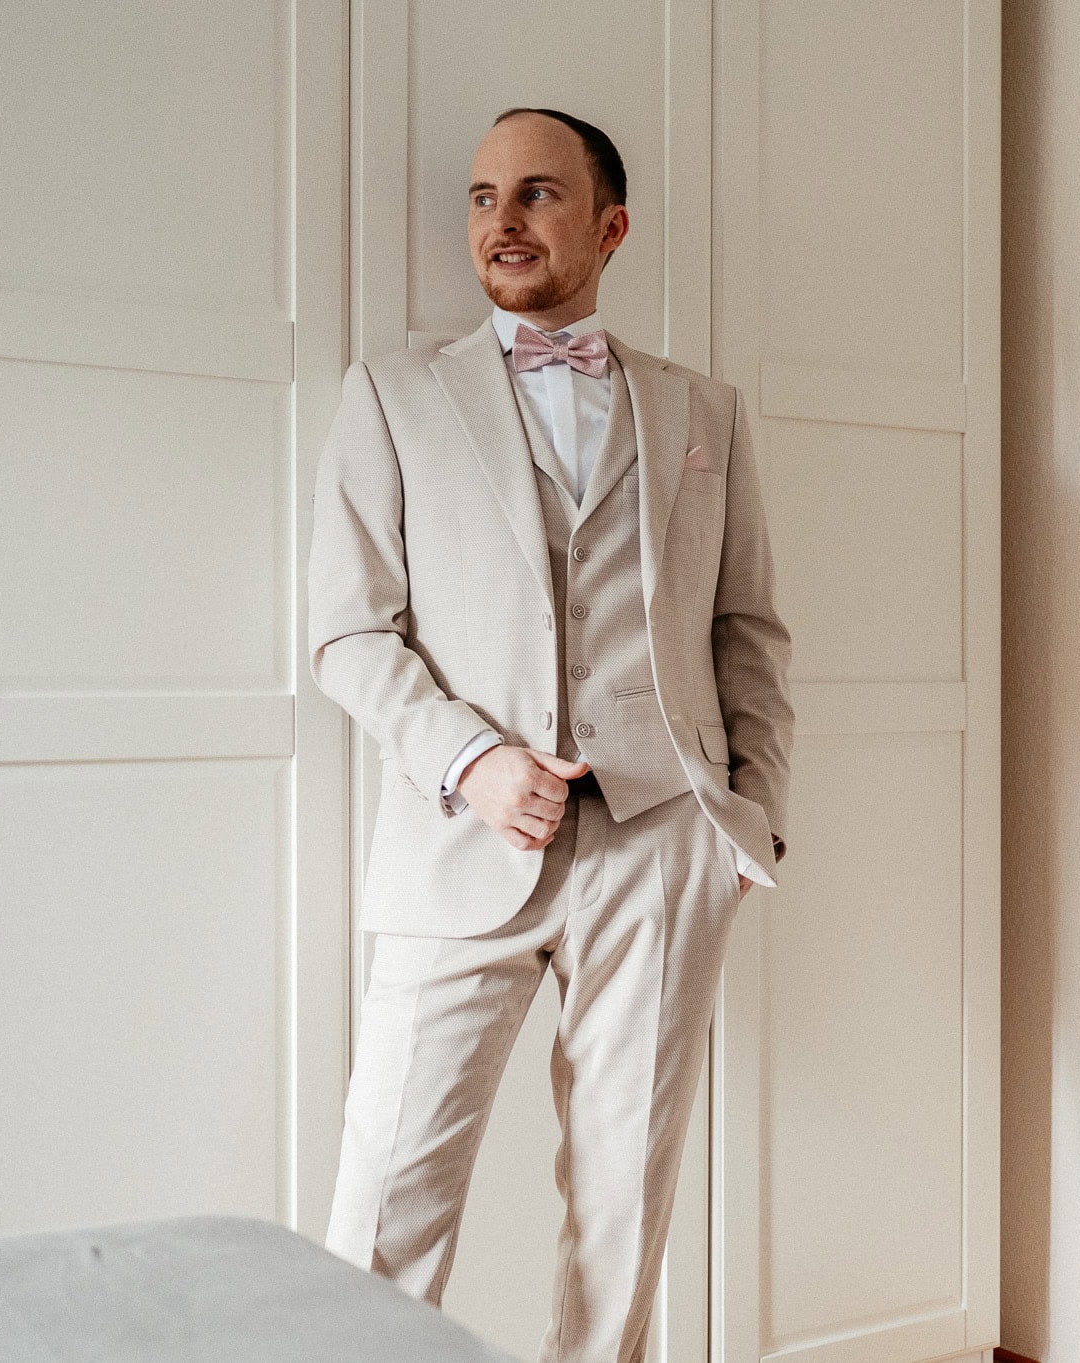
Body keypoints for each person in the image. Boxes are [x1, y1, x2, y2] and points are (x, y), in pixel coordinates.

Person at [307, 106, 792, 1362]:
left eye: (536, 193)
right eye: (483, 197)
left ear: (609, 225)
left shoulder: (703, 410)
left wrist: (749, 824)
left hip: (659, 841)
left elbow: (746, 631)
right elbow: (347, 632)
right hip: (457, 842)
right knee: (386, 1197)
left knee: (623, 1203)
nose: (502, 221)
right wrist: (471, 760)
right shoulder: (392, 394)